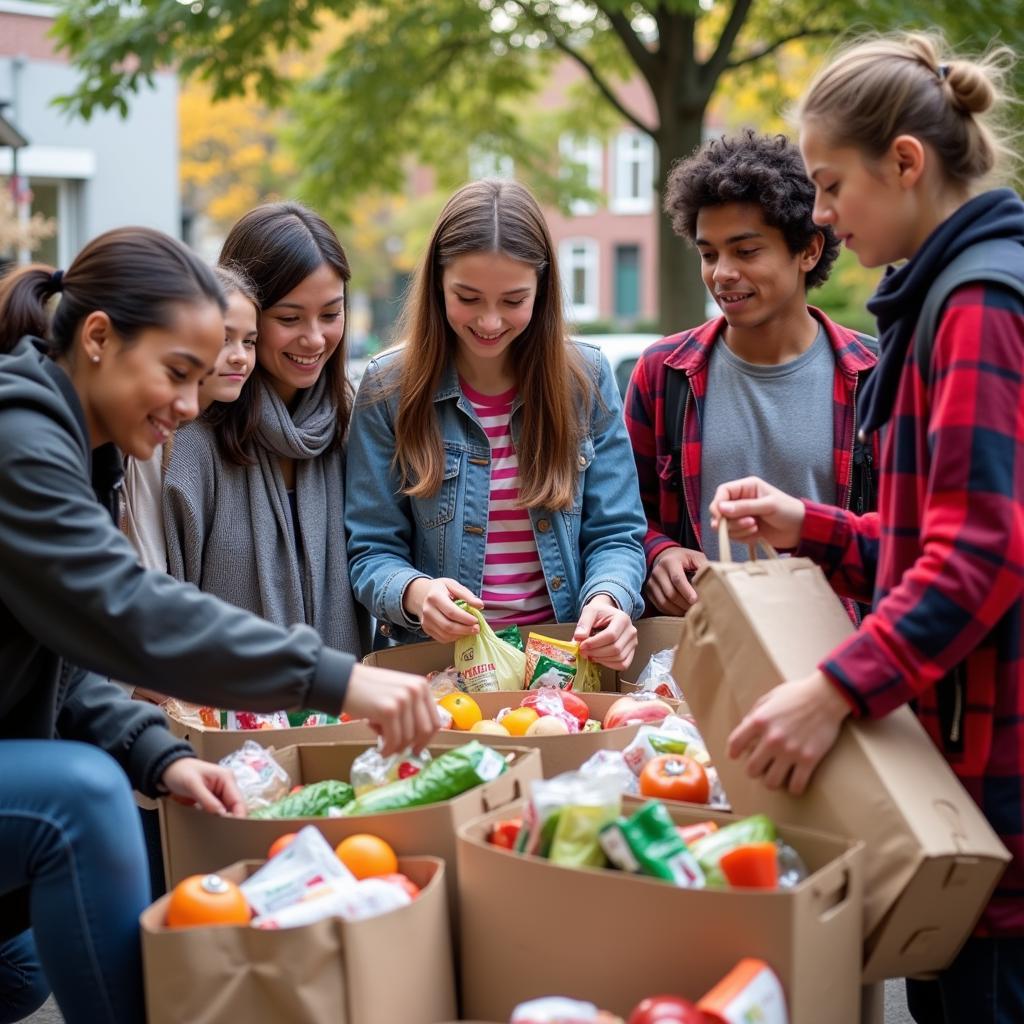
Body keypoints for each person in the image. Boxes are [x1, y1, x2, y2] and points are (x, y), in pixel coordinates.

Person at [0, 227, 438, 1024]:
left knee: (21, 973)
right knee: (82, 802)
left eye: (202, 380)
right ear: (98, 338)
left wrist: (156, 754)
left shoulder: (77, 449)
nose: (191, 405)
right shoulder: (19, 442)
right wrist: (339, 679)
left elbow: (66, 667)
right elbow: (125, 610)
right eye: (176, 373)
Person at [711, 33, 1024, 1022]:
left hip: (988, 788)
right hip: (962, 768)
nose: (824, 214)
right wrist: (816, 525)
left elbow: (981, 551)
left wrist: (832, 691)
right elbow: (933, 526)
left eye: (830, 183)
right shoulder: (944, 295)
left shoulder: (976, 303)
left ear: (905, 162)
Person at [345, 178, 647, 670]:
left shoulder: (585, 380)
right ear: (437, 284)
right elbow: (370, 549)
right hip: (440, 672)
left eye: (512, 301)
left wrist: (608, 600)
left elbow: (616, 534)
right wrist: (417, 594)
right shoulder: (389, 389)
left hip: (564, 666)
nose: (489, 322)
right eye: (468, 297)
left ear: (542, 290)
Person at [625, 130, 877, 617]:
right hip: (696, 666)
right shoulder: (663, 374)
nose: (721, 273)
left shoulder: (875, 377)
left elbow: (906, 542)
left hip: (840, 664)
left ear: (807, 251)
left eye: (745, 251)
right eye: (709, 253)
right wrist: (659, 552)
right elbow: (621, 518)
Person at [164, 202, 364, 657]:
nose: (314, 339)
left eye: (331, 315)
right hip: (222, 715)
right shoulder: (191, 438)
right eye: (289, 319)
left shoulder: (351, 424)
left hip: (345, 716)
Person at [121, 263, 259, 573]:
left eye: (249, 341)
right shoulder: (151, 431)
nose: (239, 356)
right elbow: (148, 560)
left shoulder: (224, 427)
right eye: (224, 339)